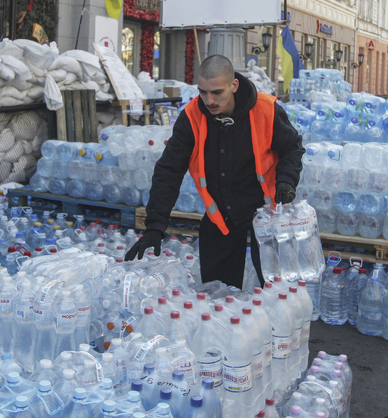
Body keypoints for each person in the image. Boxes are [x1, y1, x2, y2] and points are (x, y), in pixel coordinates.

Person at [124, 55, 304, 288]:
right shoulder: (192, 117)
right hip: (221, 216)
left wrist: (287, 181)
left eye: (217, 92)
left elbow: (292, 148)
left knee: (277, 290)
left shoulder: (266, 110)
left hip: (266, 214)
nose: (209, 100)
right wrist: (155, 226)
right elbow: (169, 170)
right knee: (219, 295)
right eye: (203, 92)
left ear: (234, 85)